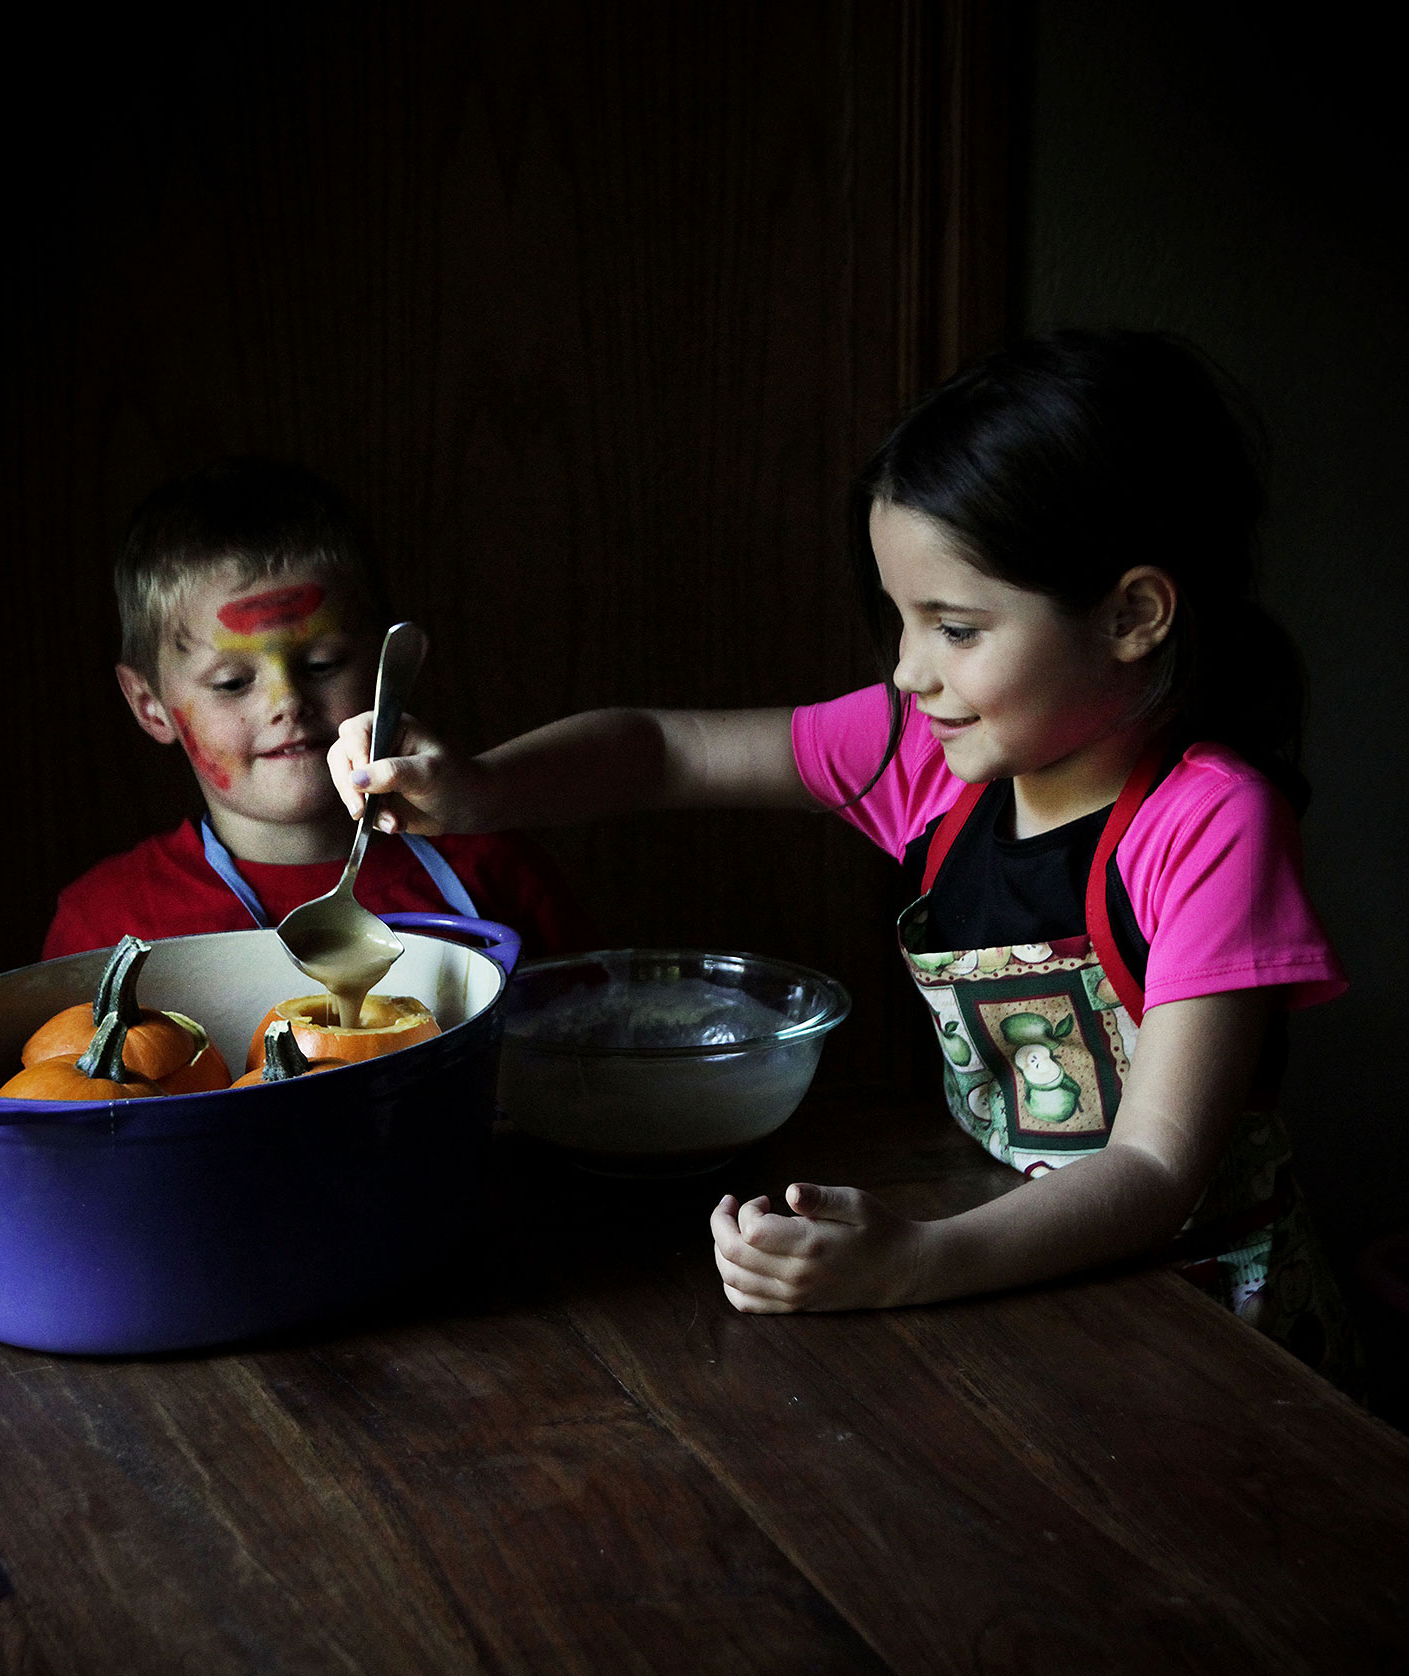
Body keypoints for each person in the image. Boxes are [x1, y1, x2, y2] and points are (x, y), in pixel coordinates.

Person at [325, 330, 1354, 1379]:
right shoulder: (923, 761)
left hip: (1208, 1328)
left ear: (1133, 614)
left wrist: (913, 1261)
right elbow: (660, 749)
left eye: (955, 627)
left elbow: (1152, 1171)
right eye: (901, 619)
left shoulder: (1210, 825)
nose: (908, 670)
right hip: (1014, 1273)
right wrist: (481, 787)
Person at [42, 459, 592, 963]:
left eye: (324, 663)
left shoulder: (496, 869)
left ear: (382, 665)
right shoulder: (104, 925)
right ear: (151, 706)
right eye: (233, 682)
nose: (288, 703)